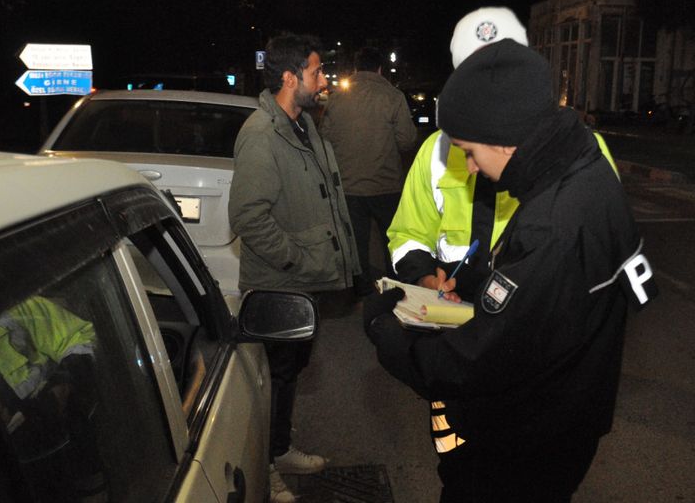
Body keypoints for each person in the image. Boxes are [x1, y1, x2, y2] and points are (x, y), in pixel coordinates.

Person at [365, 40, 657, 502]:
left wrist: (390, 337)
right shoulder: (582, 165)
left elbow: (479, 360)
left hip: (527, 435)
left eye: (469, 149)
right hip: (564, 414)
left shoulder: (552, 222)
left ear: (505, 135)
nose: (468, 165)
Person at [388, 6, 619, 303]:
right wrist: (425, 277)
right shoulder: (435, 151)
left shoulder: (582, 151)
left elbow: (601, 264)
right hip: (453, 311)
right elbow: (408, 234)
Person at [228, 33, 360, 503]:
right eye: (316, 71)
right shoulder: (262, 134)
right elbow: (248, 218)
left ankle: (279, 449)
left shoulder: (301, 123)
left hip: (304, 282)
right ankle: (266, 464)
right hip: (281, 284)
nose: (323, 80)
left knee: (291, 372)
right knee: (277, 377)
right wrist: (297, 260)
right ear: (289, 77)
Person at [0, 296, 104, 501]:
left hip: (65, 442)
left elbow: (79, 338)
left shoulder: (16, 305)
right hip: (0, 474)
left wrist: (64, 383)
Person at [320, 46, 417, 298]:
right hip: (386, 185)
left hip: (349, 185)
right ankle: (394, 285)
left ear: (355, 68)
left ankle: (360, 288)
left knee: (357, 240)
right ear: (380, 69)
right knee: (392, 239)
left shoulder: (337, 97)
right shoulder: (393, 96)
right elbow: (407, 140)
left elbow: (325, 138)